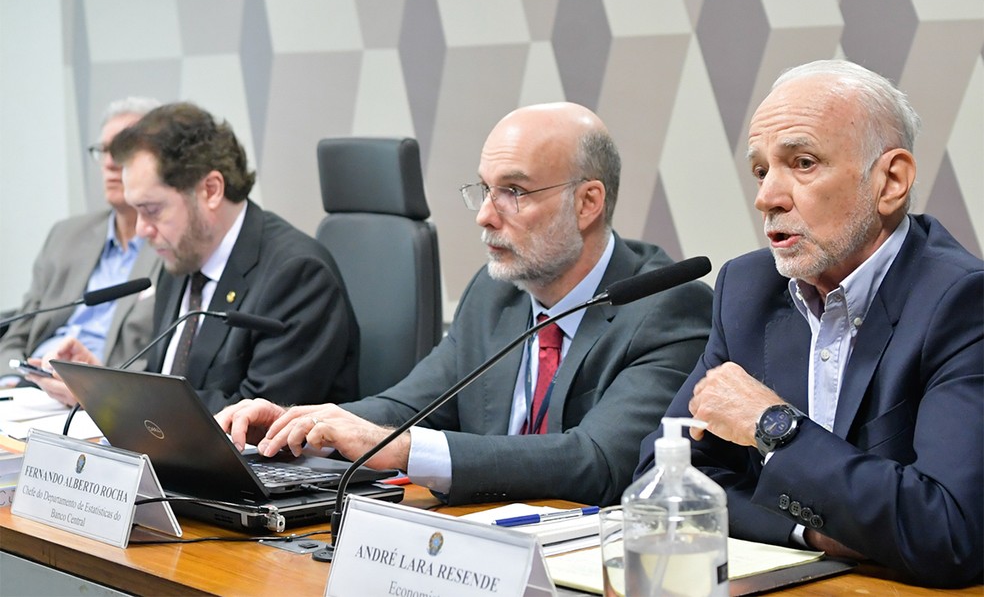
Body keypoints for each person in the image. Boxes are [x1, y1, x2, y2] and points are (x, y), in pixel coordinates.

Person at [217, 102, 713, 506]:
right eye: (485, 189)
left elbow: (597, 461)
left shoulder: (666, 307)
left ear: (587, 203)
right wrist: (299, 423)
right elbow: (408, 406)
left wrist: (402, 450)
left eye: (513, 192)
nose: (484, 216)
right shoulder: (495, 293)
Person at [636, 60, 983, 587]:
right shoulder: (748, 290)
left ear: (891, 181)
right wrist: (812, 532)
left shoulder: (961, 302)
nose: (766, 197)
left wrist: (773, 425)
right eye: (760, 170)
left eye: (802, 162)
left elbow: (948, 532)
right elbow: (666, 479)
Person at [34, 102, 360, 413]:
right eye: (136, 211)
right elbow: (170, 384)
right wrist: (101, 385)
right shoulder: (180, 262)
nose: (142, 230)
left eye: (152, 210)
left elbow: (259, 420)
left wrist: (116, 401)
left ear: (211, 190)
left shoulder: (298, 275)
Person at [0, 97, 162, 388]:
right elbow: (19, 330)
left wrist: (93, 392)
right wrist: (10, 384)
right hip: (28, 389)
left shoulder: (171, 248)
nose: (112, 162)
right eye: (104, 151)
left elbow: (156, 362)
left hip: (99, 398)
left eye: (125, 149)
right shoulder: (66, 235)